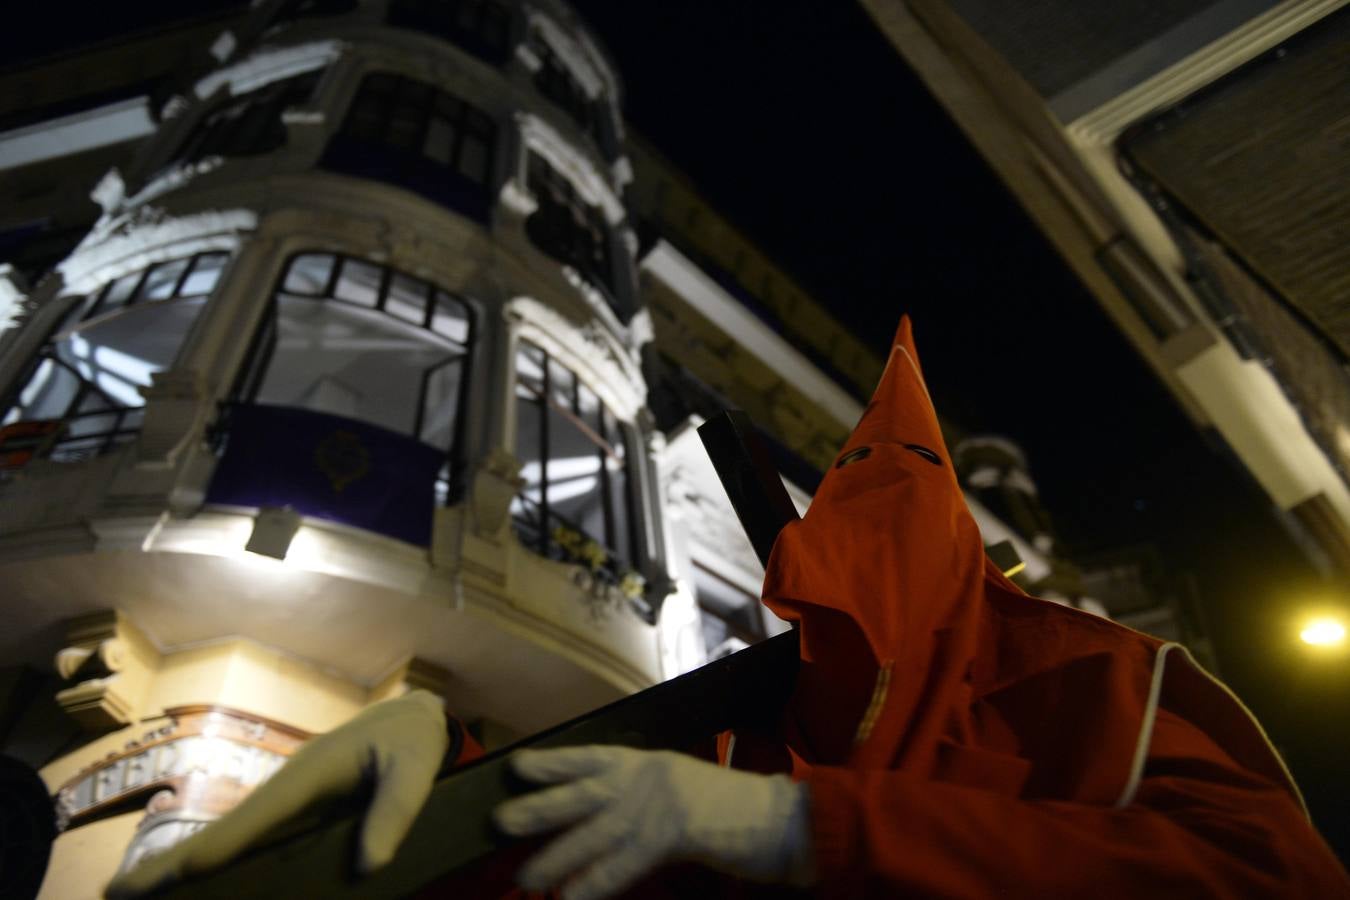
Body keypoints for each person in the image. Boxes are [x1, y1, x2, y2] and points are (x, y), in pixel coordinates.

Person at [107, 318, 1349, 899]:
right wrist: (438, 782)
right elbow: (588, 856)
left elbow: (1271, 886)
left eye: (900, 486)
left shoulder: (1104, 685)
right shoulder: (755, 731)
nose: (861, 523)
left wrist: (808, 831)